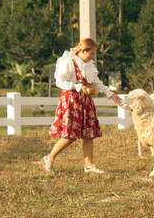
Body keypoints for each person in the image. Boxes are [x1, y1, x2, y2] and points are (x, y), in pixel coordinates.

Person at [41, 38, 122, 174]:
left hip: (86, 101)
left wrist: (110, 94)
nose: (92, 57)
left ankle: (89, 166)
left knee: (89, 134)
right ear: (83, 51)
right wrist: (78, 87)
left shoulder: (89, 65)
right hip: (72, 101)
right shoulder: (69, 62)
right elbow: (60, 82)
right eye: (91, 53)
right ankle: (49, 158)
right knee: (70, 135)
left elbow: (97, 83)